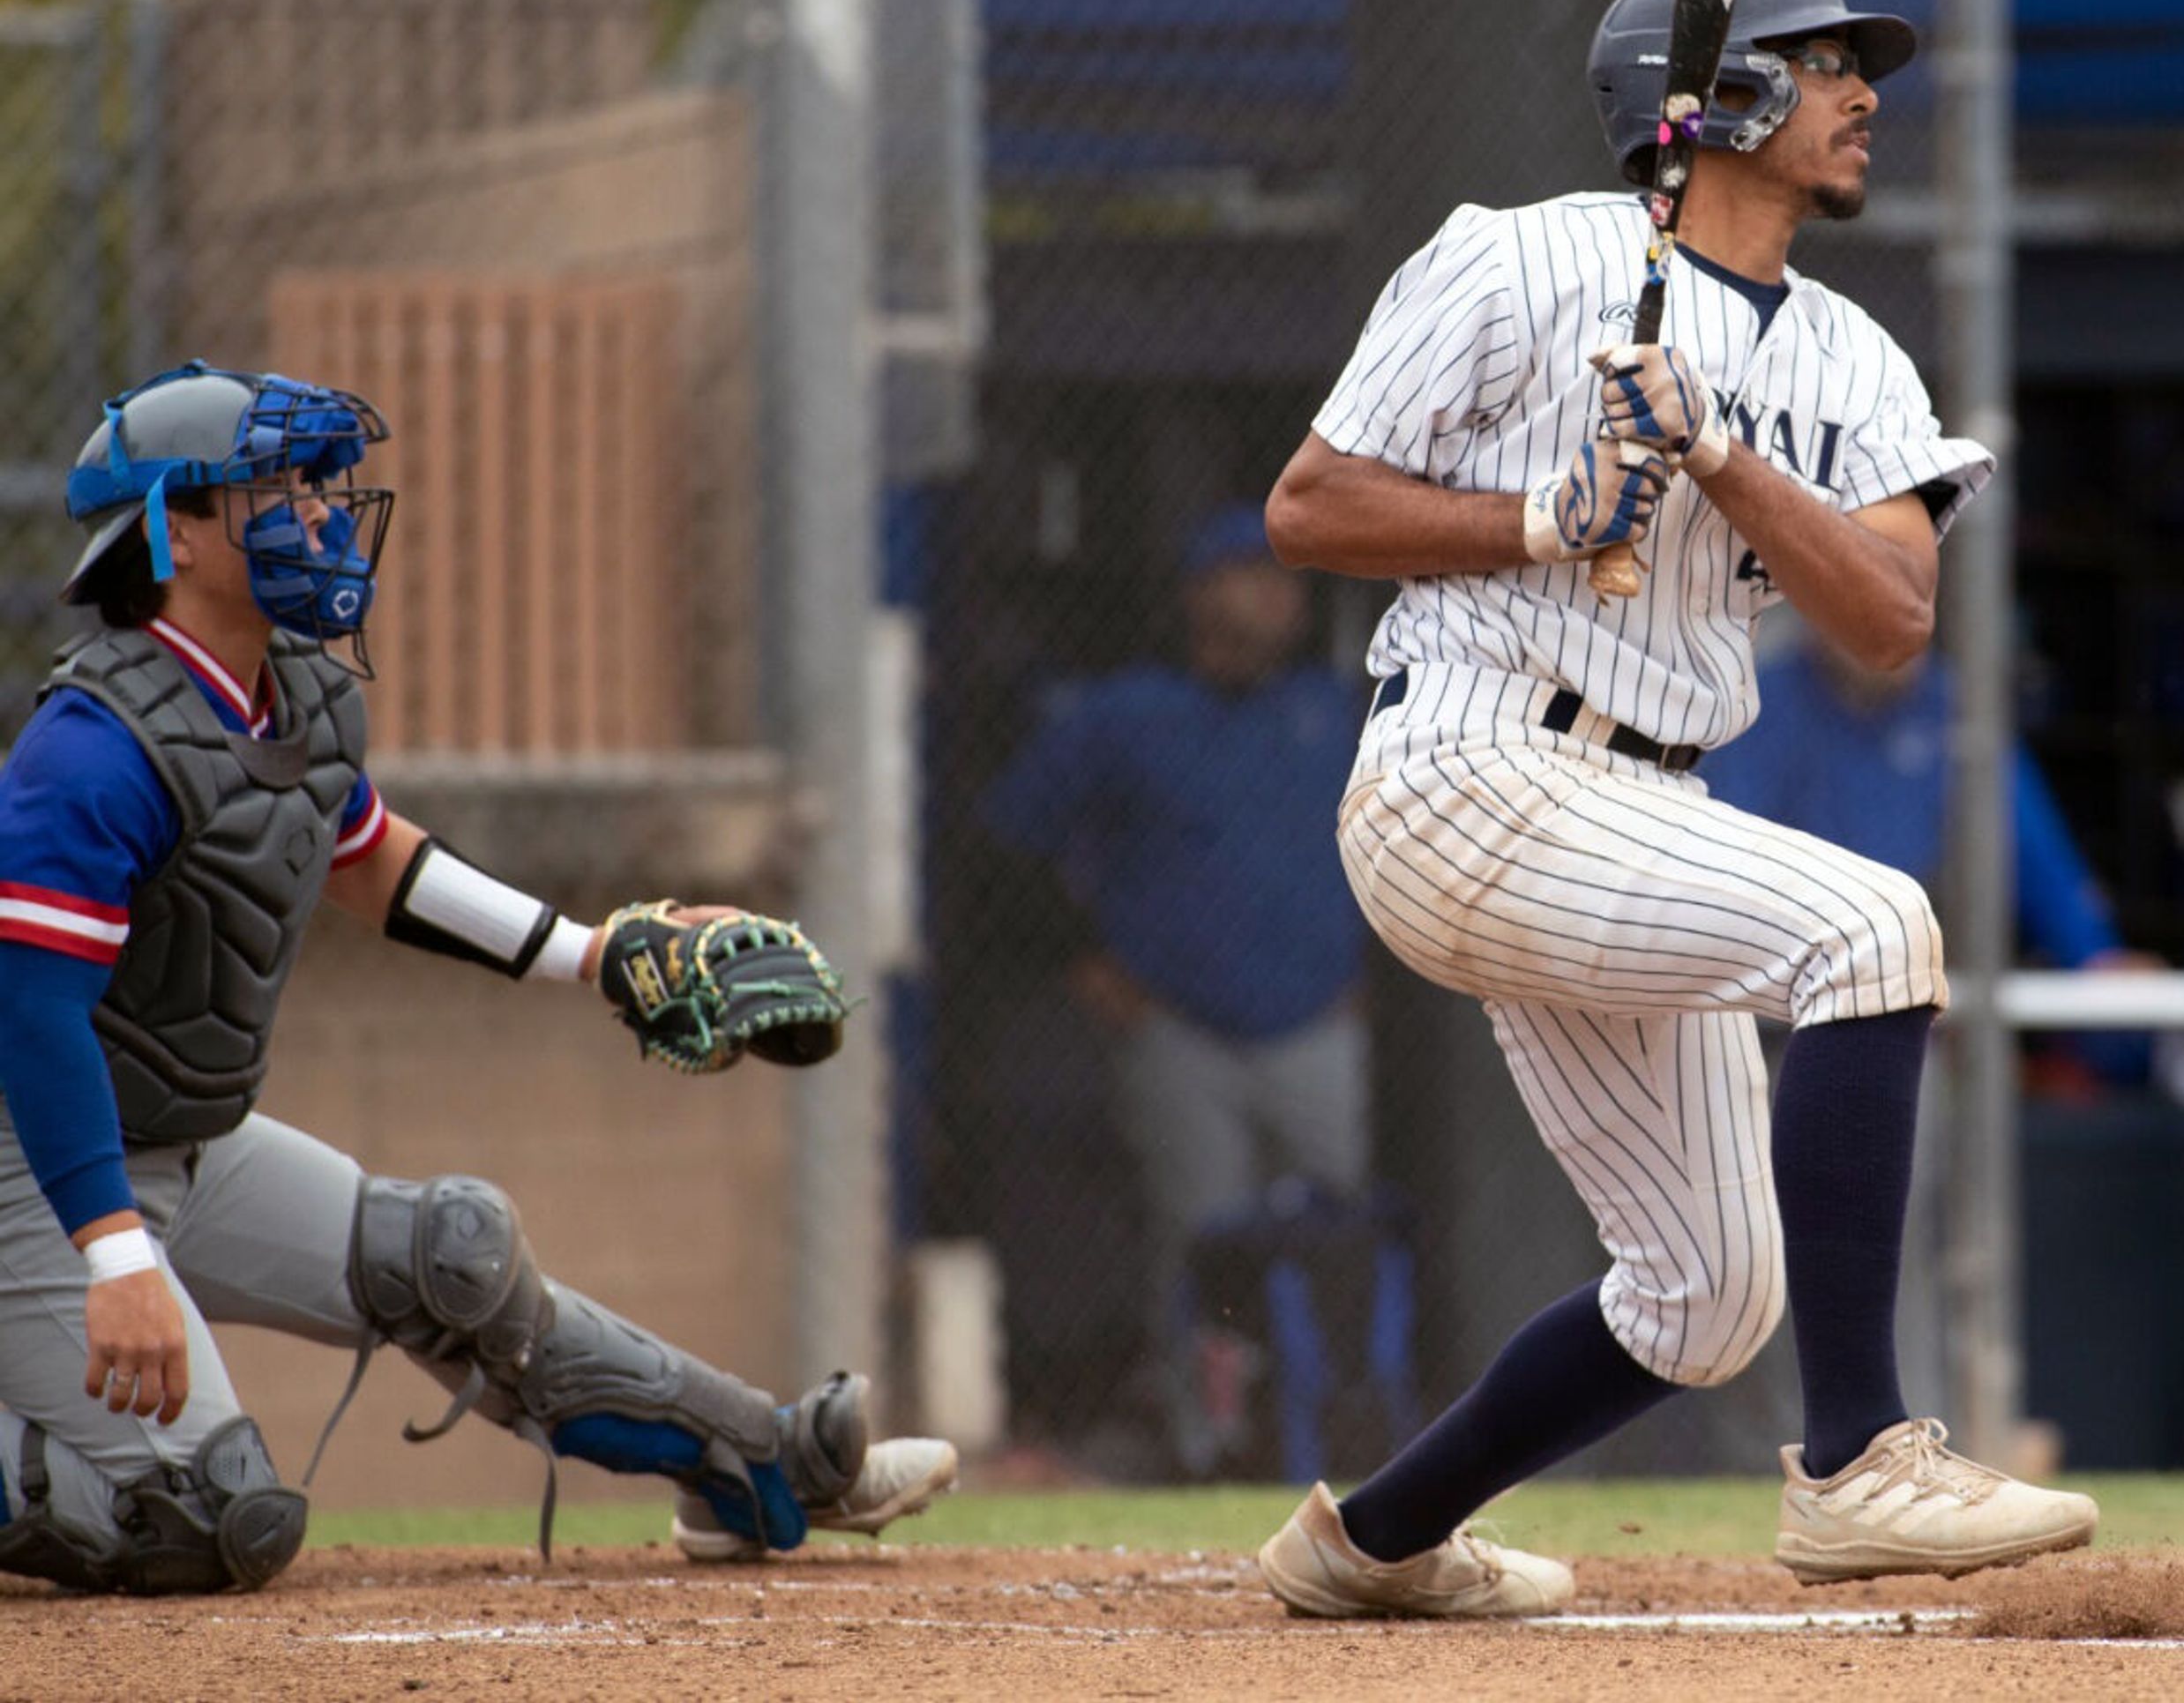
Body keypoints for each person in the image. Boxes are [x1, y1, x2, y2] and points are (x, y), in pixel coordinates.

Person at [1251, 0, 2098, 1617]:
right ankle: (1860, 1461)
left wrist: (1718, 449)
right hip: (1469, 758)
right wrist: (1543, 517)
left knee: (1708, 1297)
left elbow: (1891, 618)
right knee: (1872, 924)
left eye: (1864, 66)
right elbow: (1310, 505)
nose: (1864, 96)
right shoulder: (1524, 261)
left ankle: (1369, 1541)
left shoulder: (1857, 355)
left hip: (1643, 801)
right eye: (1824, 61)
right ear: (1720, 95)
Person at [0, 362, 956, 1595]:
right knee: (205, 1516)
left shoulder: (288, 693)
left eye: (317, 486)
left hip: (180, 1142)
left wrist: (595, 953)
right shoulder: (89, 744)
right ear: (176, 527)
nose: (321, 514)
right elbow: (28, 1011)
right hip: (35, 1168)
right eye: (276, 490)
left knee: (449, 1249)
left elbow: (369, 861)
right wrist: (114, 1251)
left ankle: (761, 1461)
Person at [983, 504, 1372, 1473]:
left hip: (1315, 1025)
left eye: (1285, 578)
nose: (1276, 595)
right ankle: (1213, 1447)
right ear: (1199, 590)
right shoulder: (1128, 715)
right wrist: (1083, 960)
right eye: (1250, 573)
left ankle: (1335, 1433)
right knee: (1202, 1248)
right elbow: (1003, 848)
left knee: (1338, 1238)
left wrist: (1373, 977)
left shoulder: (1332, 713)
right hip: (1181, 1030)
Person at [1704, 635, 2157, 1093]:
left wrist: (2095, 954)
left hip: (1916, 1013)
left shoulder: (1952, 704)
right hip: (1783, 1015)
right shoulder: (1761, 704)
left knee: (1947, 1071)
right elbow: (1724, 888)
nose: (1901, 610)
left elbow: (2034, 852)